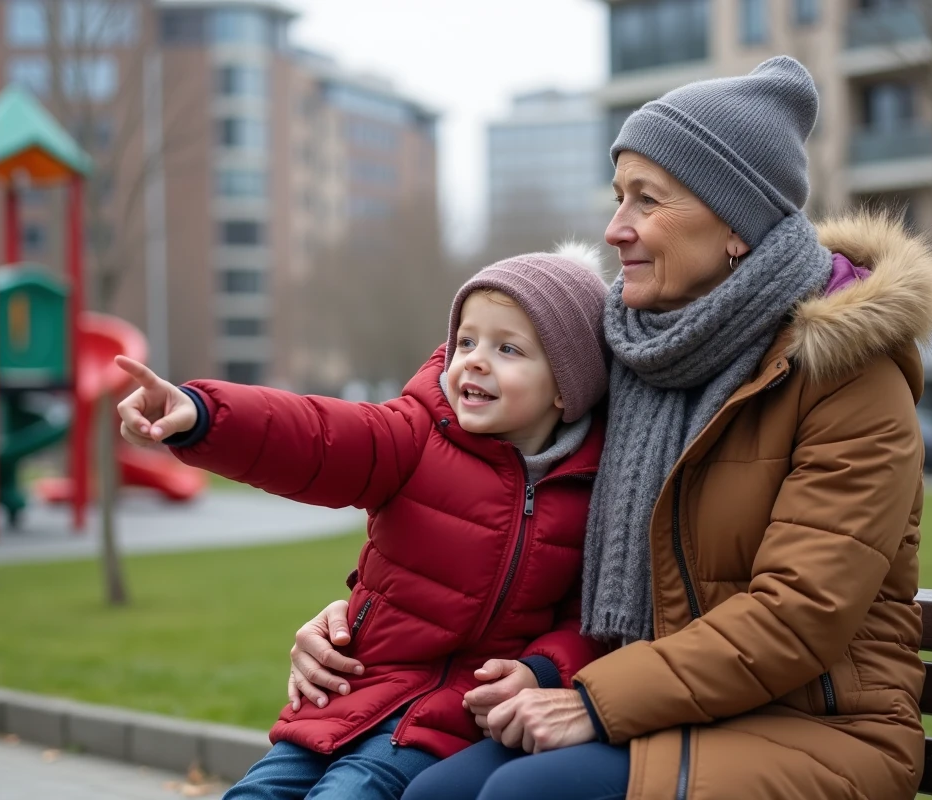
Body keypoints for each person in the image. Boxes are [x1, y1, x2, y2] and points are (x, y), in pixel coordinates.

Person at [288, 56, 932, 800]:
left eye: (647, 200)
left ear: (736, 224)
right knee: (432, 795)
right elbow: (487, 501)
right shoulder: (627, 353)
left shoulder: (849, 376)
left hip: (820, 729)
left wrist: (597, 702)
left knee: (519, 797)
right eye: (617, 197)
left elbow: (798, 616)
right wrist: (354, 622)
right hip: (664, 706)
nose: (614, 228)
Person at [115, 246, 611, 800]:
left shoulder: (591, 491)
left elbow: (586, 618)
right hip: (350, 689)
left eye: (508, 348)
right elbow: (316, 437)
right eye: (466, 341)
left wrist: (542, 672)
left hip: (444, 725)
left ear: (567, 385)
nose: (473, 360)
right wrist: (204, 416)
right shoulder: (416, 435)